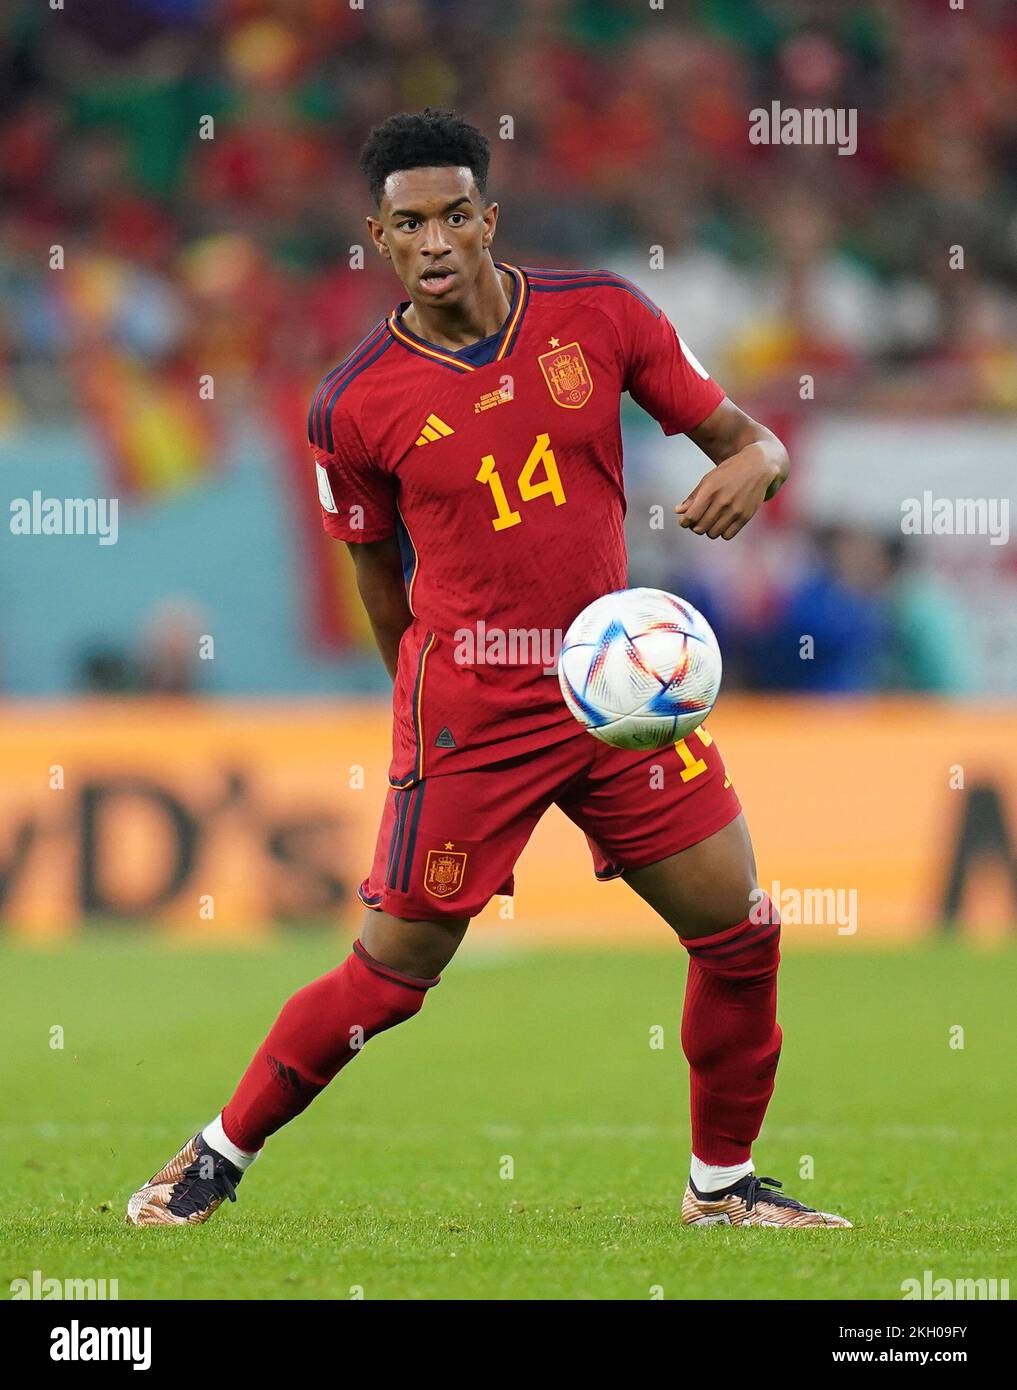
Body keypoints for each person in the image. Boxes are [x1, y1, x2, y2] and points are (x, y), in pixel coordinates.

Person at [127, 108, 850, 1230]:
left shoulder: (602, 316)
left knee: (742, 930)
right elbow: (379, 586)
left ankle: (723, 1187)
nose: (436, 239)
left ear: (488, 218)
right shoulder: (353, 403)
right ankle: (214, 1155)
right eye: (409, 221)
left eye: (456, 214)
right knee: (390, 980)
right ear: (378, 236)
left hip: (622, 697)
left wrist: (759, 467)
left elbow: (752, 441)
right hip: (471, 710)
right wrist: (423, 717)